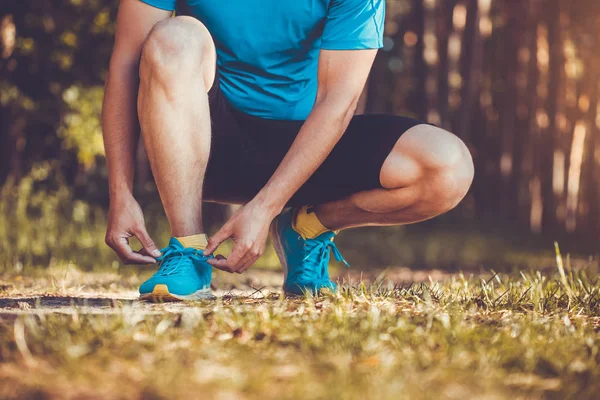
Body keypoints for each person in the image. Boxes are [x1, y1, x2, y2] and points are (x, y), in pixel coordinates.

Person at [102, 0, 474, 301]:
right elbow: (125, 64)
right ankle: (187, 248)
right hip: (206, 144)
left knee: (447, 167)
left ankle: (306, 228)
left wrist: (267, 207)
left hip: (310, 151)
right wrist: (120, 193)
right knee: (172, 38)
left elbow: (338, 100)